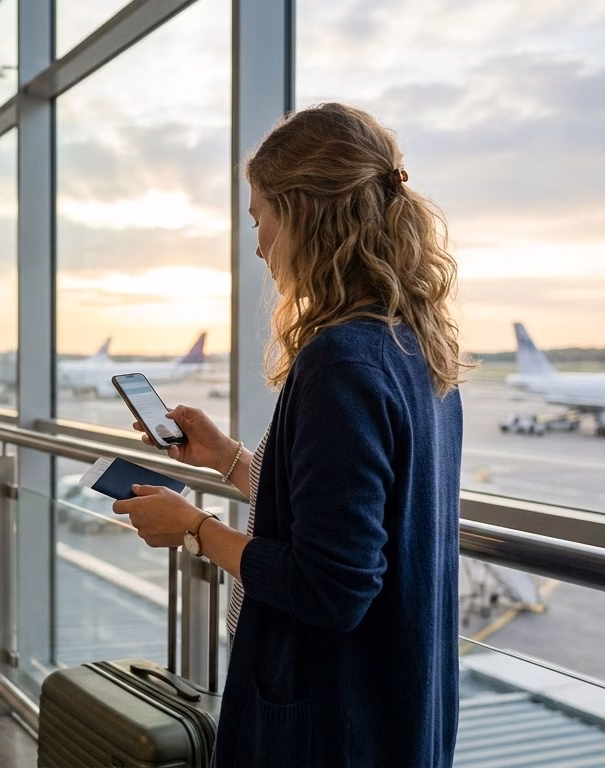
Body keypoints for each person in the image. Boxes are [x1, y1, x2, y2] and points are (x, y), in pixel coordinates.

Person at [113, 103, 466, 767]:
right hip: (397, 708)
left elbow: (331, 586)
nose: (257, 244)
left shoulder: (339, 361)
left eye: (260, 217)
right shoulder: (415, 347)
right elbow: (348, 522)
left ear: (302, 212)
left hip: (331, 725)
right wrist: (227, 460)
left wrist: (193, 529)